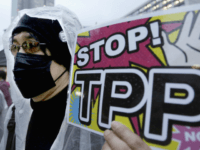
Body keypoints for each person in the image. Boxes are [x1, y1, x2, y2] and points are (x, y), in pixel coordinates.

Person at [0, 6, 151, 150]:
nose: (20, 56)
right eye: (15, 47)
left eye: (31, 44)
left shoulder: (98, 121)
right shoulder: (16, 115)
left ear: (62, 54)